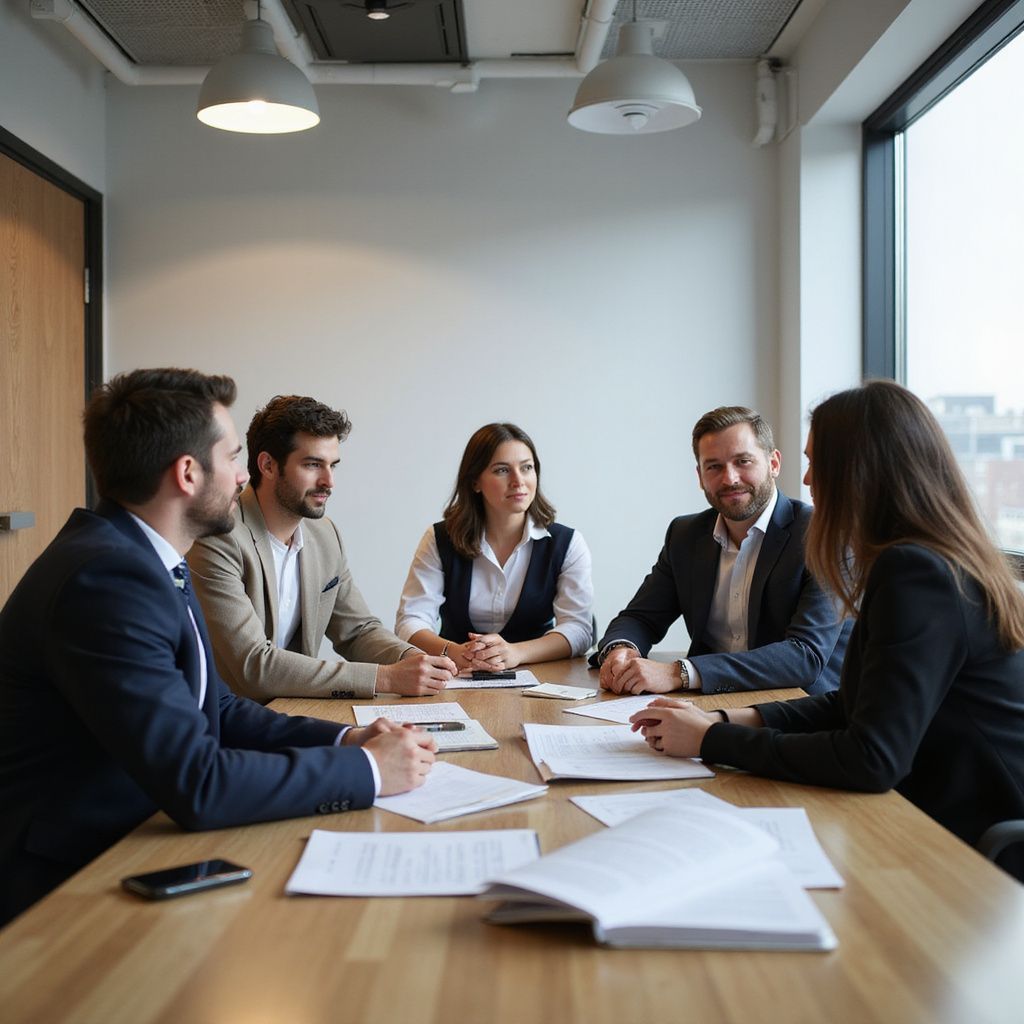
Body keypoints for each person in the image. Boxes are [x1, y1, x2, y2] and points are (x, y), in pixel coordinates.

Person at [0, 368, 436, 926]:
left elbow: (218, 708)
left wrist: (351, 738)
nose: (240, 477)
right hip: (70, 882)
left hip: (140, 835)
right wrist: (369, 773)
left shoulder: (142, 559)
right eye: (233, 458)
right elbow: (199, 783)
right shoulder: (106, 580)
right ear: (187, 473)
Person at [631, 381, 1024, 877]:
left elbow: (870, 758)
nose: (811, 478)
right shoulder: (913, 560)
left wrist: (710, 742)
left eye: (820, 462)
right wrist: (725, 721)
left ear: (864, 472)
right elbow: (849, 704)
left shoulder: (917, 574)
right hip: (924, 810)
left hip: (972, 847)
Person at [188, 396, 457, 701]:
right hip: (225, 722)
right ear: (268, 465)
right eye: (313, 464)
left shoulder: (324, 534)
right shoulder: (218, 535)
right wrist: (385, 678)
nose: (329, 482)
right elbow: (253, 666)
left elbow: (357, 631)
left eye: (333, 466)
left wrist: (416, 661)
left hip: (294, 711)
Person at [595, 406, 848, 696]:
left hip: (794, 709)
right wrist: (621, 650)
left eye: (743, 461)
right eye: (713, 466)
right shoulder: (685, 536)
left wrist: (681, 673)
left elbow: (805, 656)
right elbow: (640, 618)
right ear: (700, 476)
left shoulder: (823, 534)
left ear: (774, 463)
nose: (729, 479)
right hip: (706, 703)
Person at [395, 423, 593, 672]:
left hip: (539, 677)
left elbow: (579, 629)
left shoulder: (567, 544)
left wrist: (516, 653)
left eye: (527, 468)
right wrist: (455, 652)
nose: (518, 481)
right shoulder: (439, 539)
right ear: (475, 481)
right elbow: (410, 621)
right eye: (502, 470)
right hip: (456, 675)